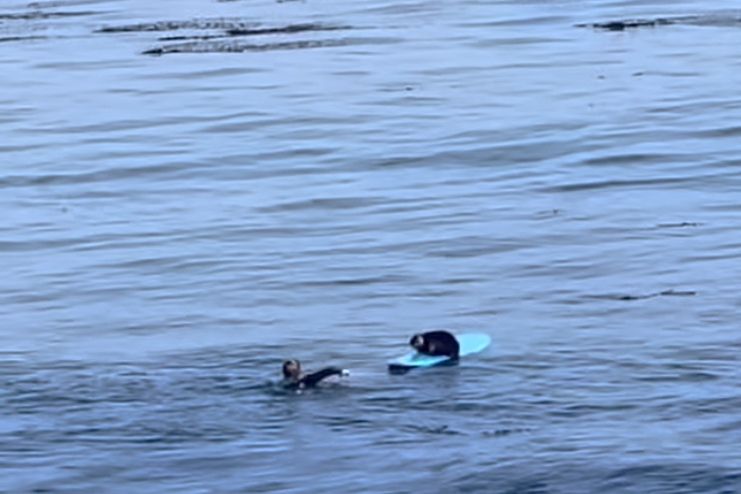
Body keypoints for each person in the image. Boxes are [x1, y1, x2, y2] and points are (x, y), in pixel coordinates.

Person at [281, 359, 349, 389]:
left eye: (292, 366)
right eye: (289, 366)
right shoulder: (286, 382)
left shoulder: (308, 378)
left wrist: (340, 371)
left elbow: (325, 372)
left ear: (299, 369)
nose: (291, 368)